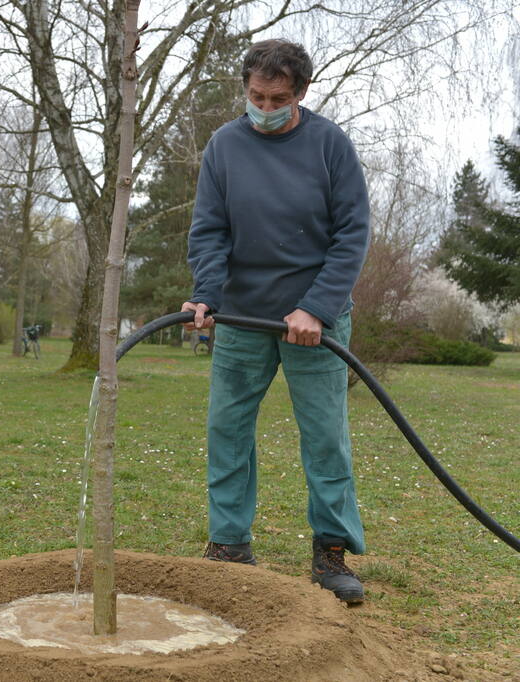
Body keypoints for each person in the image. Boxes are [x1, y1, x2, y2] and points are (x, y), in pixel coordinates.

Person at [182, 39, 370, 604]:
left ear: (301, 94)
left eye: (277, 98)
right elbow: (210, 231)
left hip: (315, 320)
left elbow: (352, 235)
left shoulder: (330, 145)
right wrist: (207, 296)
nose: (264, 107)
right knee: (227, 430)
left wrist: (317, 307)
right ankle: (229, 545)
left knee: (325, 437)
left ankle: (331, 550)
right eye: (256, 96)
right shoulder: (225, 146)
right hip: (242, 315)